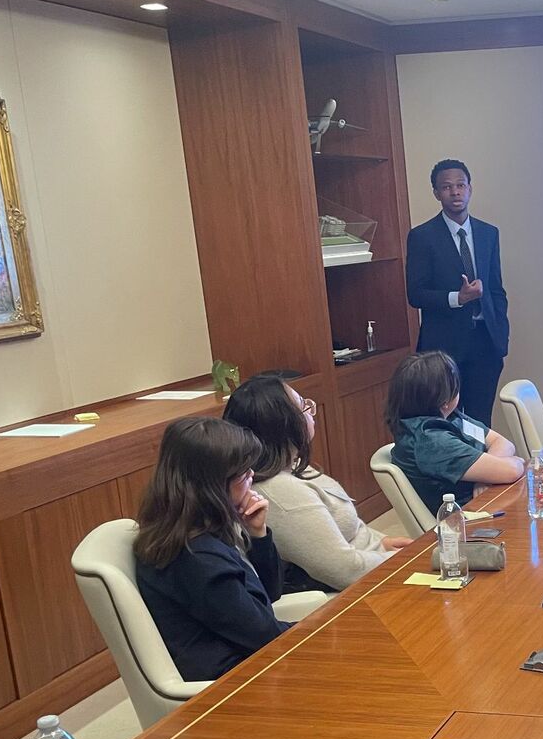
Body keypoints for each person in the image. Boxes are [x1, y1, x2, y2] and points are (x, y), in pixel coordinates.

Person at [134, 417, 290, 683]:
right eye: (243, 473)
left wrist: (258, 534)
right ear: (212, 485)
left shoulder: (186, 529)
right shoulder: (197, 558)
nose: (252, 477)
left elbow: (269, 596)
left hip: (248, 662)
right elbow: (265, 636)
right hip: (238, 683)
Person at [223, 374, 412, 592]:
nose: (311, 411)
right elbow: (344, 571)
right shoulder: (280, 492)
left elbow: (349, 529)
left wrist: (381, 542)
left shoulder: (291, 464)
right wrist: (398, 560)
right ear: (282, 425)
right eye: (303, 406)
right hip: (351, 595)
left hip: (374, 563)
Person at [404, 158, 510, 428]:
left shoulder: (488, 233)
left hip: (486, 345)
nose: (455, 192)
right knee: (445, 424)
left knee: (480, 423)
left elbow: (496, 289)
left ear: (470, 188)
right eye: (447, 187)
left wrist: (501, 333)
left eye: (460, 185)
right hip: (444, 348)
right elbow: (415, 294)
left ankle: (483, 471)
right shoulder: (422, 236)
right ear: (436, 193)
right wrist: (457, 298)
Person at [383, 350, 525, 515]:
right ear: (444, 400)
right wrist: (504, 466)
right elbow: (512, 470)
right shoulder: (432, 441)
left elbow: (502, 442)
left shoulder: (449, 417)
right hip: (466, 522)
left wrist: (484, 476)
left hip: (489, 502)